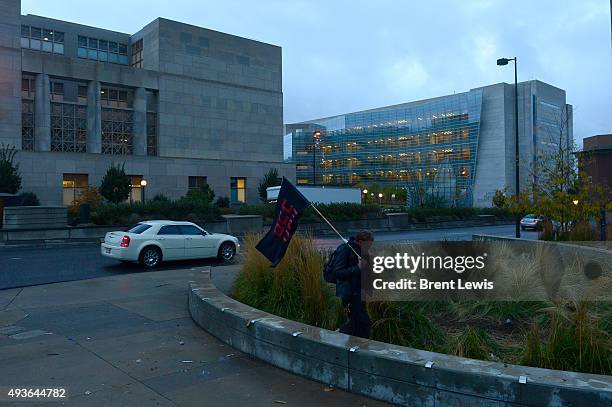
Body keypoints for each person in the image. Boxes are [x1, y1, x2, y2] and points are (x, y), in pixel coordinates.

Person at [333, 230, 374, 339]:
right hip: (349, 293)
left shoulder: (361, 251)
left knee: (357, 322)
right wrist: (357, 268)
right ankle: (339, 333)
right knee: (363, 322)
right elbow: (337, 272)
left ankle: (355, 345)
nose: (369, 248)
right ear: (360, 241)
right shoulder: (345, 249)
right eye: (368, 245)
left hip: (360, 292)